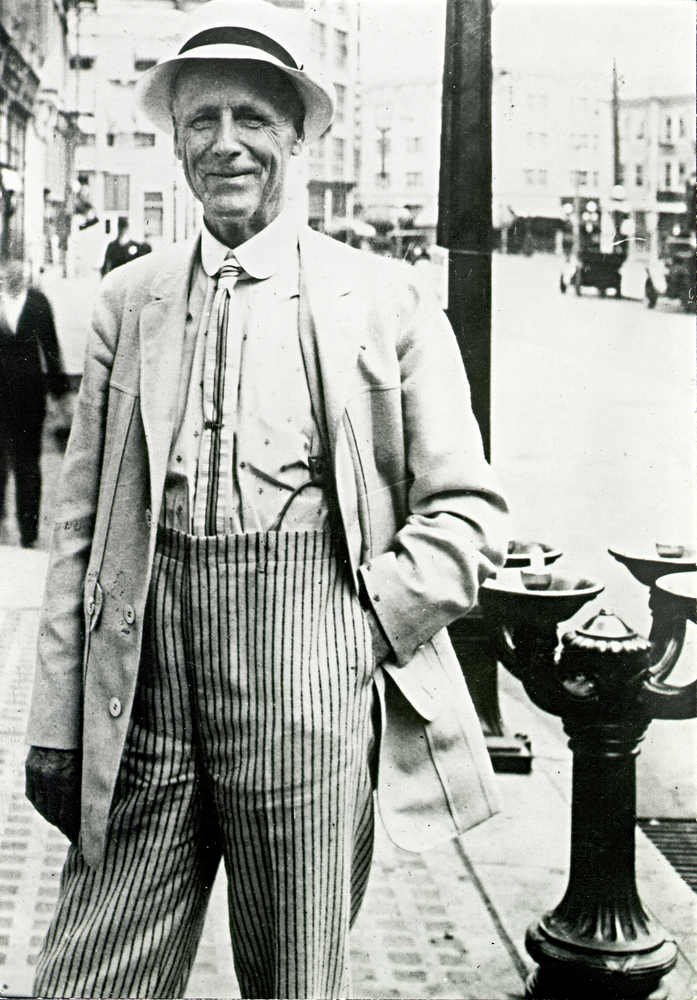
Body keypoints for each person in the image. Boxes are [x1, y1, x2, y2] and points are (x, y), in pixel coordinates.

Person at [25, 2, 509, 997]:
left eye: (251, 118)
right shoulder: (132, 301)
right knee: (85, 978)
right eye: (201, 121)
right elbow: (78, 536)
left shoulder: (383, 300)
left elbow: (466, 519)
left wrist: (356, 633)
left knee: (295, 980)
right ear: (175, 143)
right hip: (144, 699)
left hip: (306, 709)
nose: (226, 144)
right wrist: (55, 720)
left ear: (294, 133)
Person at [0, 259, 67, 548]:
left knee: (28, 462)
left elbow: (51, 347)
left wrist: (59, 393)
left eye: (18, 275)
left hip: (30, 396)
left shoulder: (39, 303)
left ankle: (29, 530)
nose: (13, 278)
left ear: (25, 277)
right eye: (8, 275)